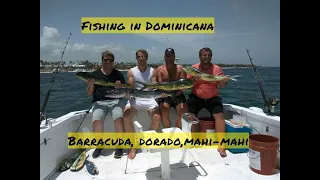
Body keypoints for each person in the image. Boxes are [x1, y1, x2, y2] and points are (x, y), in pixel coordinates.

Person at [186, 47, 230, 157]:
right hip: (196, 96)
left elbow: (222, 86)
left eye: (209, 55)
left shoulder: (217, 69)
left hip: (212, 97)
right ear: (200, 56)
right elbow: (188, 85)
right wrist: (194, 80)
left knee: (219, 116)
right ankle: (192, 140)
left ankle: (221, 145)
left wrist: (224, 81)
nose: (207, 57)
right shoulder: (193, 68)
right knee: (191, 116)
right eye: (204, 55)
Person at [123, 49, 162, 160]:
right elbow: (130, 87)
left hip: (150, 98)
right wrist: (126, 93)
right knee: (126, 116)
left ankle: (147, 140)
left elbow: (154, 85)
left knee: (157, 117)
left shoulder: (152, 71)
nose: (142, 58)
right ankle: (133, 146)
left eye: (144, 56)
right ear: (136, 58)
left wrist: (160, 90)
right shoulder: (131, 71)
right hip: (135, 98)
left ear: (147, 58)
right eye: (139, 57)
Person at [86, 50, 126, 159]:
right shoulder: (94, 74)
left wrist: (120, 88)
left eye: (110, 60)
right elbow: (89, 93)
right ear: (102, 61)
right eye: (105, 60)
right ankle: (99, 146)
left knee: (118, 116)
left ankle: (119, 145)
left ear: (113, 62)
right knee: (97, 118)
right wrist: (90, 85)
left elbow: (124, 92)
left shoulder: (118, 74)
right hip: (99, 101)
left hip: (116, 100)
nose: (108, 62)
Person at [156, 48, 188, 129]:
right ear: (164, 57)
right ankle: (168, 131)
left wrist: (179, 92)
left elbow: (183, 85)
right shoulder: (159, 69)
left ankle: (177, 132)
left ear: (174, 56)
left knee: (184, 111)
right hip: (165, 95)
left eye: (171, 56)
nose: (169, 58)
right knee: (164, 109)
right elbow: (160, 85)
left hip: (178, 94)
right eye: (167, 56)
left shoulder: (180, 68)